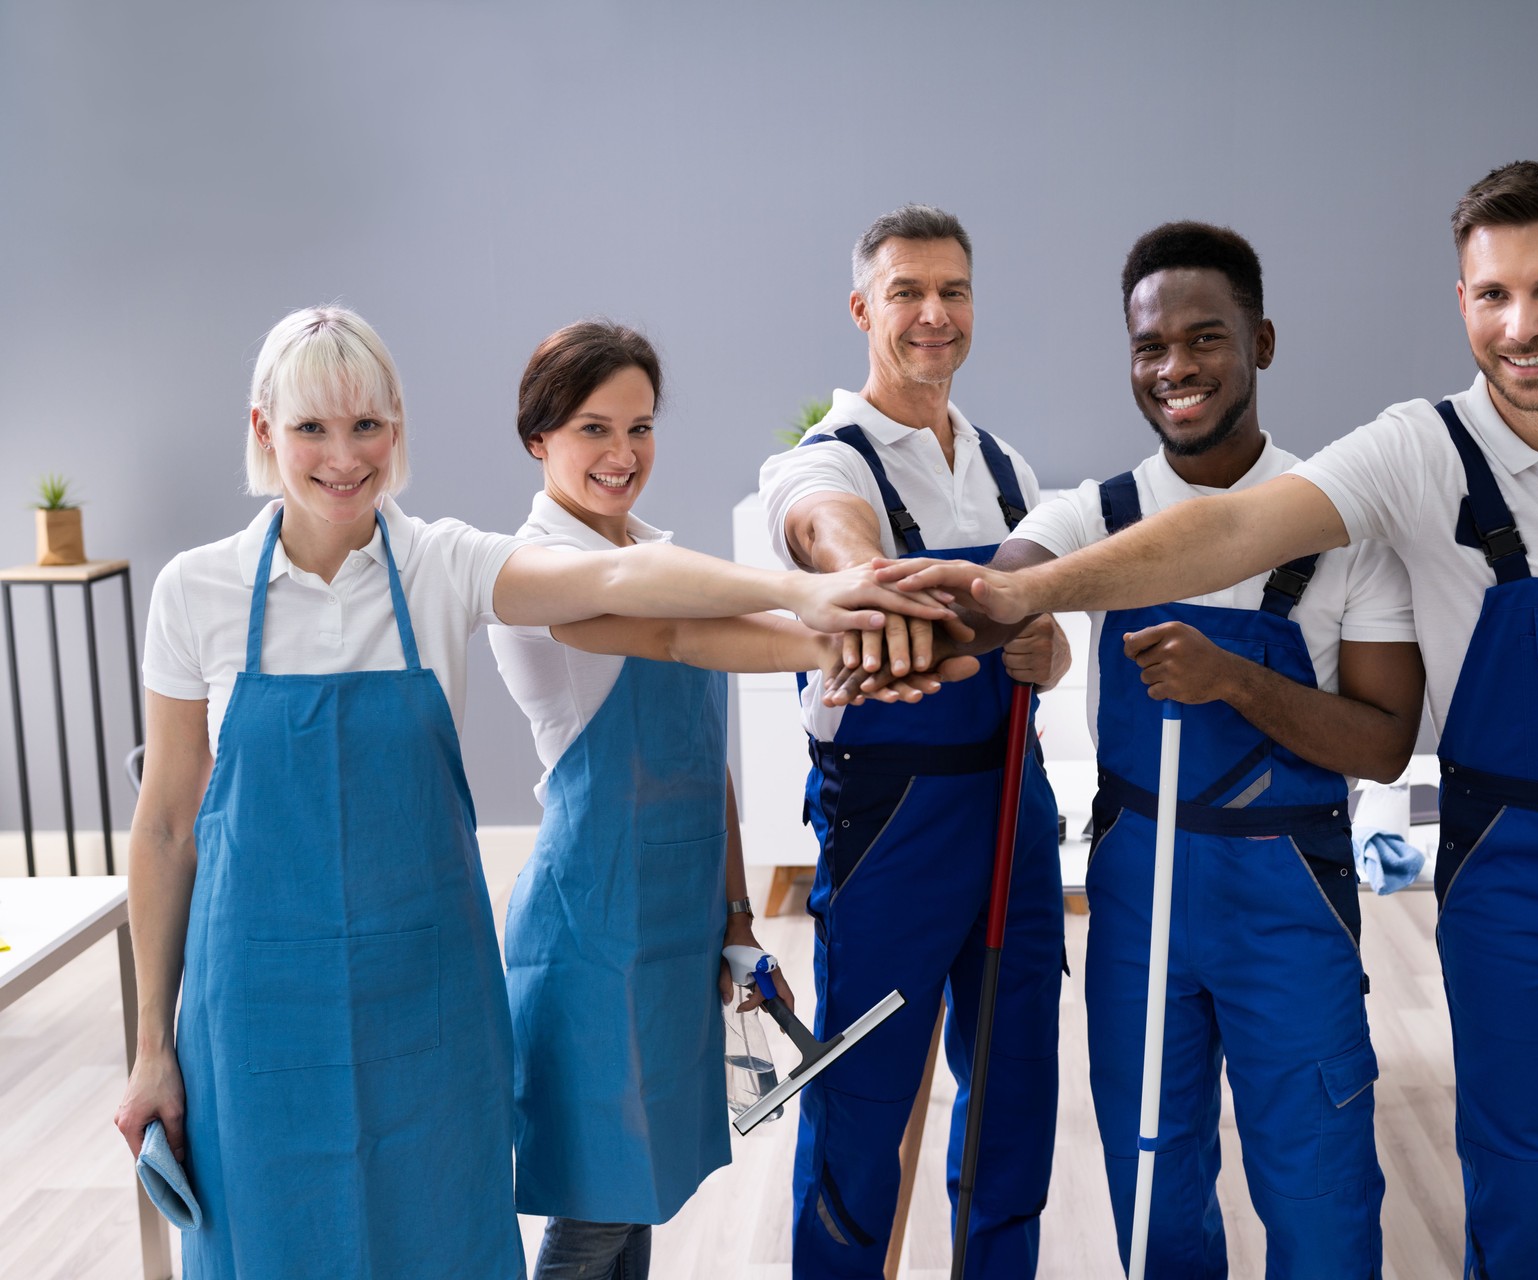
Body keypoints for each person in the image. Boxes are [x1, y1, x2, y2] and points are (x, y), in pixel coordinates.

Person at [882, 162, 1538, 1280]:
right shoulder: (1416, 452)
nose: (1522, 325)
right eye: (1492, 296)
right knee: (1517, 1184)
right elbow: (1227, 533)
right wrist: (1010, 597)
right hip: (1507, 870)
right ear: (1461, 302)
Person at [110, 305, 951, 1280]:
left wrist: (820, 616)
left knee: (447, 1238)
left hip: (428, 997)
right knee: (269, 1242)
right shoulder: (194, 590)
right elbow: (168, 825)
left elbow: (634, 580)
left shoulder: (444, 564)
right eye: (311, 428)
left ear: (398, 430)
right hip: (253, 1002)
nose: (343, 455)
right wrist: (149, 1046)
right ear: (264, 430)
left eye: (367, 425)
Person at [490, 319, 972, 1280]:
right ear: (538, 438)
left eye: (640, 427)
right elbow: (678, 635)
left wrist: (739, 916)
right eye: (593, 429)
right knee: (596, 1208)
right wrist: (841, 636)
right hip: (589, 927)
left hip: (671, 918)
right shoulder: (534, 571)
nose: (623, 455)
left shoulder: (662, 548)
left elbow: (704, 762)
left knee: (642, 1198)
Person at [996, 222, 1421, 1277]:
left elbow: (1386, 739)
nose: (1175, 368)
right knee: (1154, 1186)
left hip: (1290, 896)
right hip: (1141, 887)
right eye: (1150, 347)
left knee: (1320, 1193)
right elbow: (1004, 582)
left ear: (1262, 342)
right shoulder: (1094, 515)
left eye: (1206, 338)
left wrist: (1236, 678)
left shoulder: (1340, 527)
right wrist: (1020, 620)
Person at [757, 204, 1068, 1279]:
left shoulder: (1005, 466)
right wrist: (864, 572)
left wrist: (1049, 649)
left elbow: (1043, 622)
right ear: (862, 308)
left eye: (953, 291)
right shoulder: (816, 461)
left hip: (1016, 817)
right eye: (906, 292)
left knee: (1017, 1098)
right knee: (862, 1105)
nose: (934, 314)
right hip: (892, 829)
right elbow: (828, 530)